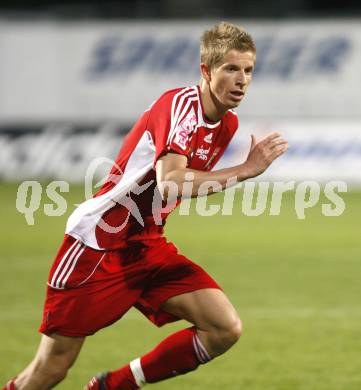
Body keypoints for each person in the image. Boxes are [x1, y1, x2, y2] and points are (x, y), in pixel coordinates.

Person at [3, 21, 288, 390]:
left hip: (146, 243)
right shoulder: (181, 106)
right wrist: (247, 170)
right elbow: (171, 183)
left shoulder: (227, 124)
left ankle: (115, 385)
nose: (242, 80)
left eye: (248, 70)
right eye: (231, 68)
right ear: (206, 70)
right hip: (98, 245)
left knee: (224, 328)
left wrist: (238, 172)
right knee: (50, 369)